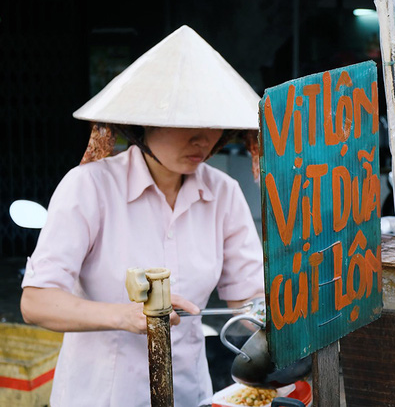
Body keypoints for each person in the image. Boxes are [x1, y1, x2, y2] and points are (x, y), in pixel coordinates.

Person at [20, 25, 265, 406]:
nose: (204, 139)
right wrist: (126, 316)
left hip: (189, 393)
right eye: (187, 124)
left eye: (213, 124)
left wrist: (288, 317)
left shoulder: (223, 193)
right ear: (142, 124)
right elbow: (36, 302)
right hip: (101, 396)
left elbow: (249, 303)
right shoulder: (90, 186)